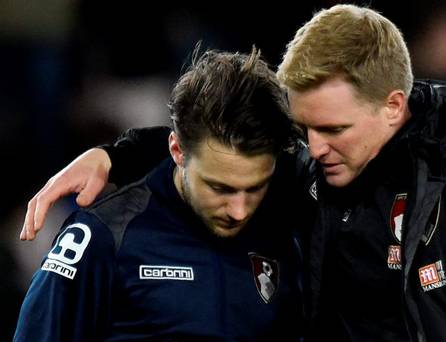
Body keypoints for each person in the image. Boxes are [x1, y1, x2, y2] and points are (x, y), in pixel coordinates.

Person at [20, 4, 446, 341]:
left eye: (332, 129)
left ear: (393, 105)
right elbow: (218, 142)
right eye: (305, 129)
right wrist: (116, 155)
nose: (314, 147)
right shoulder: (316, 180)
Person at [14, 49, 305, 341]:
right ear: (177, 150)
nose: (239, 210)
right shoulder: (105, 237)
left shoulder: (285, 227)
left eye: (255, 187)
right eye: (219, 188)